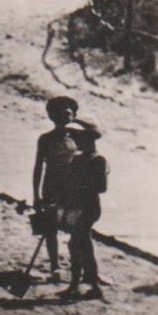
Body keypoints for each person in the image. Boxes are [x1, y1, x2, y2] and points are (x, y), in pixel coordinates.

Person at [30, 95, 81, 282]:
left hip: (73, 188)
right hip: (51, 187)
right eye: (59, 115)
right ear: (52, 117)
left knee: (77, 230)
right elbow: (38, 167)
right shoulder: (45, 139)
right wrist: (35, 195)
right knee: (50, 230)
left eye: (68, 114)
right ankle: (55, 267)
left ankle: (79, 269)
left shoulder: (80, 138)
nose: (65, 119)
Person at [57, 121, 108, 301]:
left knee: (81, 244)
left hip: (88, 208)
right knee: (77, 244)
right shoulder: (77, 159)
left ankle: (88, 286)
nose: (76, 142)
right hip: (75, 206)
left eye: (79, 139)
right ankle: (79, 285)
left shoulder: (98, 160)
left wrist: (80, 186)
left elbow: (101, 187)